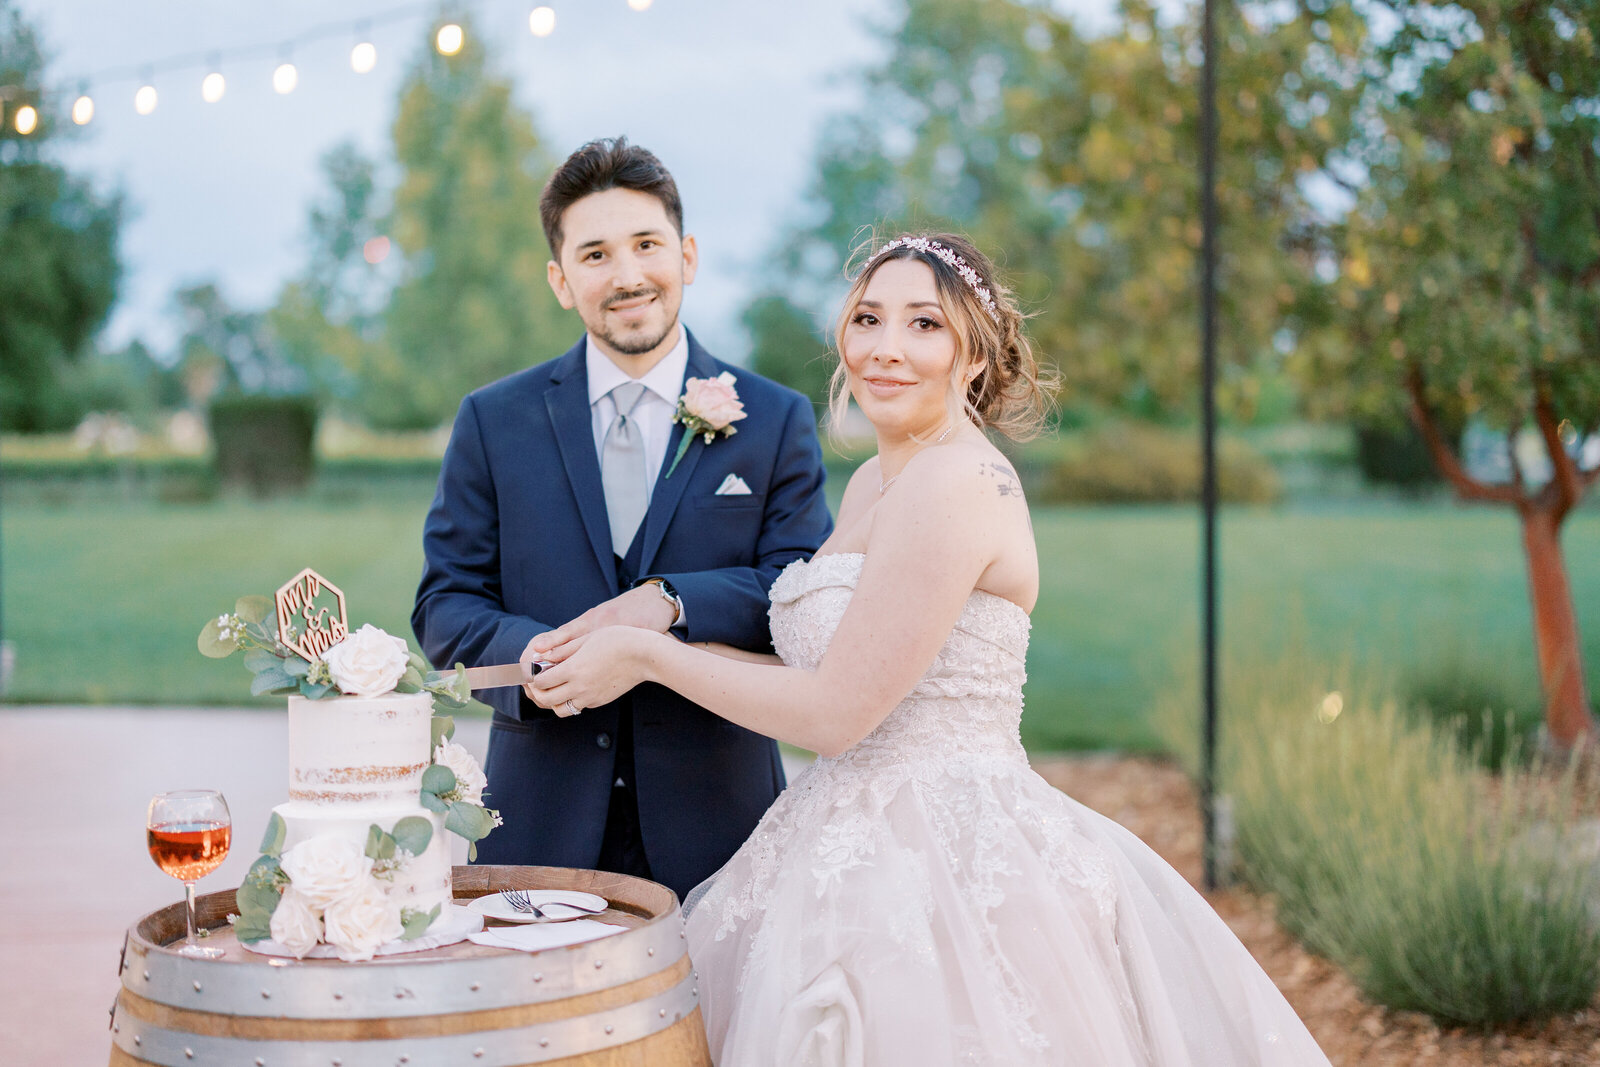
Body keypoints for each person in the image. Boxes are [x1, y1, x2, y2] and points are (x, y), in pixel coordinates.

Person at [525, 232, 1332, 1065]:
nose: (886, 348)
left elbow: (836, 715)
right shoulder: (878, 479)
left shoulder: (954, 484)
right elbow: (822, 674)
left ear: (972, 357)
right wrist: (631, 633)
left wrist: (654, 660)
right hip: (838, 829)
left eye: (924, 326)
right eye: (869, 318)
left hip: (946, 858)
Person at [411, 137, 833, 902]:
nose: (628, 275)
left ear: (689, 256)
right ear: (560, 280)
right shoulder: (492, 421)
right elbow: (444, 602)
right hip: (539, 822)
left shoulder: (775, 420)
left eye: (647, 245)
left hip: (724, 827)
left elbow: (798, 592)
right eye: (596, 254)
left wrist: (671, 600)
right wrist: (530, 659)